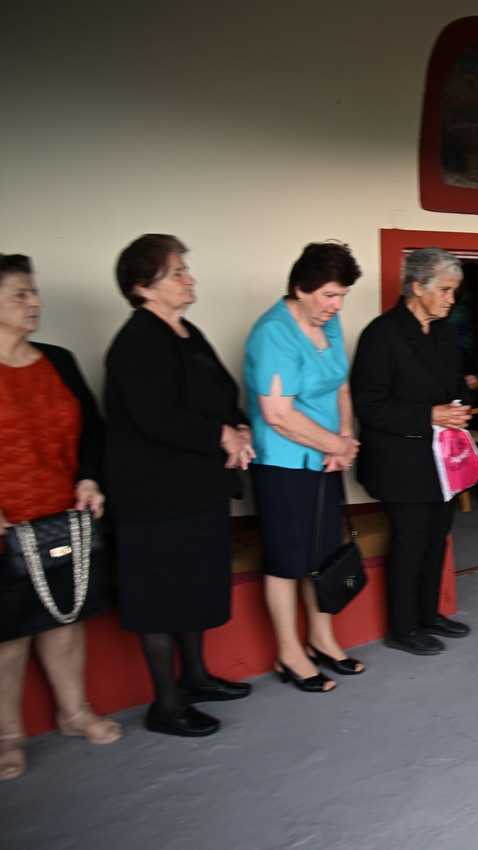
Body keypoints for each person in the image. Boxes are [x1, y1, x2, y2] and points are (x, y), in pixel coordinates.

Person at [105, 235, 254, 738]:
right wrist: (220, 435)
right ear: (142, 288)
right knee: (160, 597)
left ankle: (195, 677)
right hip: (152, 497)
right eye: (176, 273)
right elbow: (156, 417)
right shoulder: (136, 342)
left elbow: (222, 394)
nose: (189, 278)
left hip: (198, 489)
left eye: (186, 269)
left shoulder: (189, 333)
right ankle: (166, 705)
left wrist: (239, 428)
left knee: (195, 586)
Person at [0, 253, 119, 779]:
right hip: (6, 526)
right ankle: (7, 736)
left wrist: (89, 478)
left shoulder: (59, 360)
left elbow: (92, 431)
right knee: (7, 636)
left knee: (64, 619)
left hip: (61, 517)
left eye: (34, 292)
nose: (34, 302)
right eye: (20, 294)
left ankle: (74, 713)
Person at [244, 241, 362, 693]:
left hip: (326, 459)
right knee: (286, 560)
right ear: (300, 288)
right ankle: (289, 653)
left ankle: (321, 638)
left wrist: (344, 439)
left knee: (324, 554)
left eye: (342, 296)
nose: (337, 305)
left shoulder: (328, 322)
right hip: (284, 465)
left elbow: (341, 384)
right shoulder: (273, 332)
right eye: (329, 295)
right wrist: (336, 444)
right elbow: (278, 415)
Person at [350, 248, 473, 657]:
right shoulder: (381, 335)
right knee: (410, 541)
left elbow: (455, 383)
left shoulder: (443, 332)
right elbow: (369, 405)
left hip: (441, 458)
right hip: (399, 461)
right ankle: (402, 628)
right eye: (445, 290)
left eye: (454, 291)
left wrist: (459, 406)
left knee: (437, 537)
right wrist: (429, 415)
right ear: (417, 287)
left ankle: (428, 614)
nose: (451, 299)